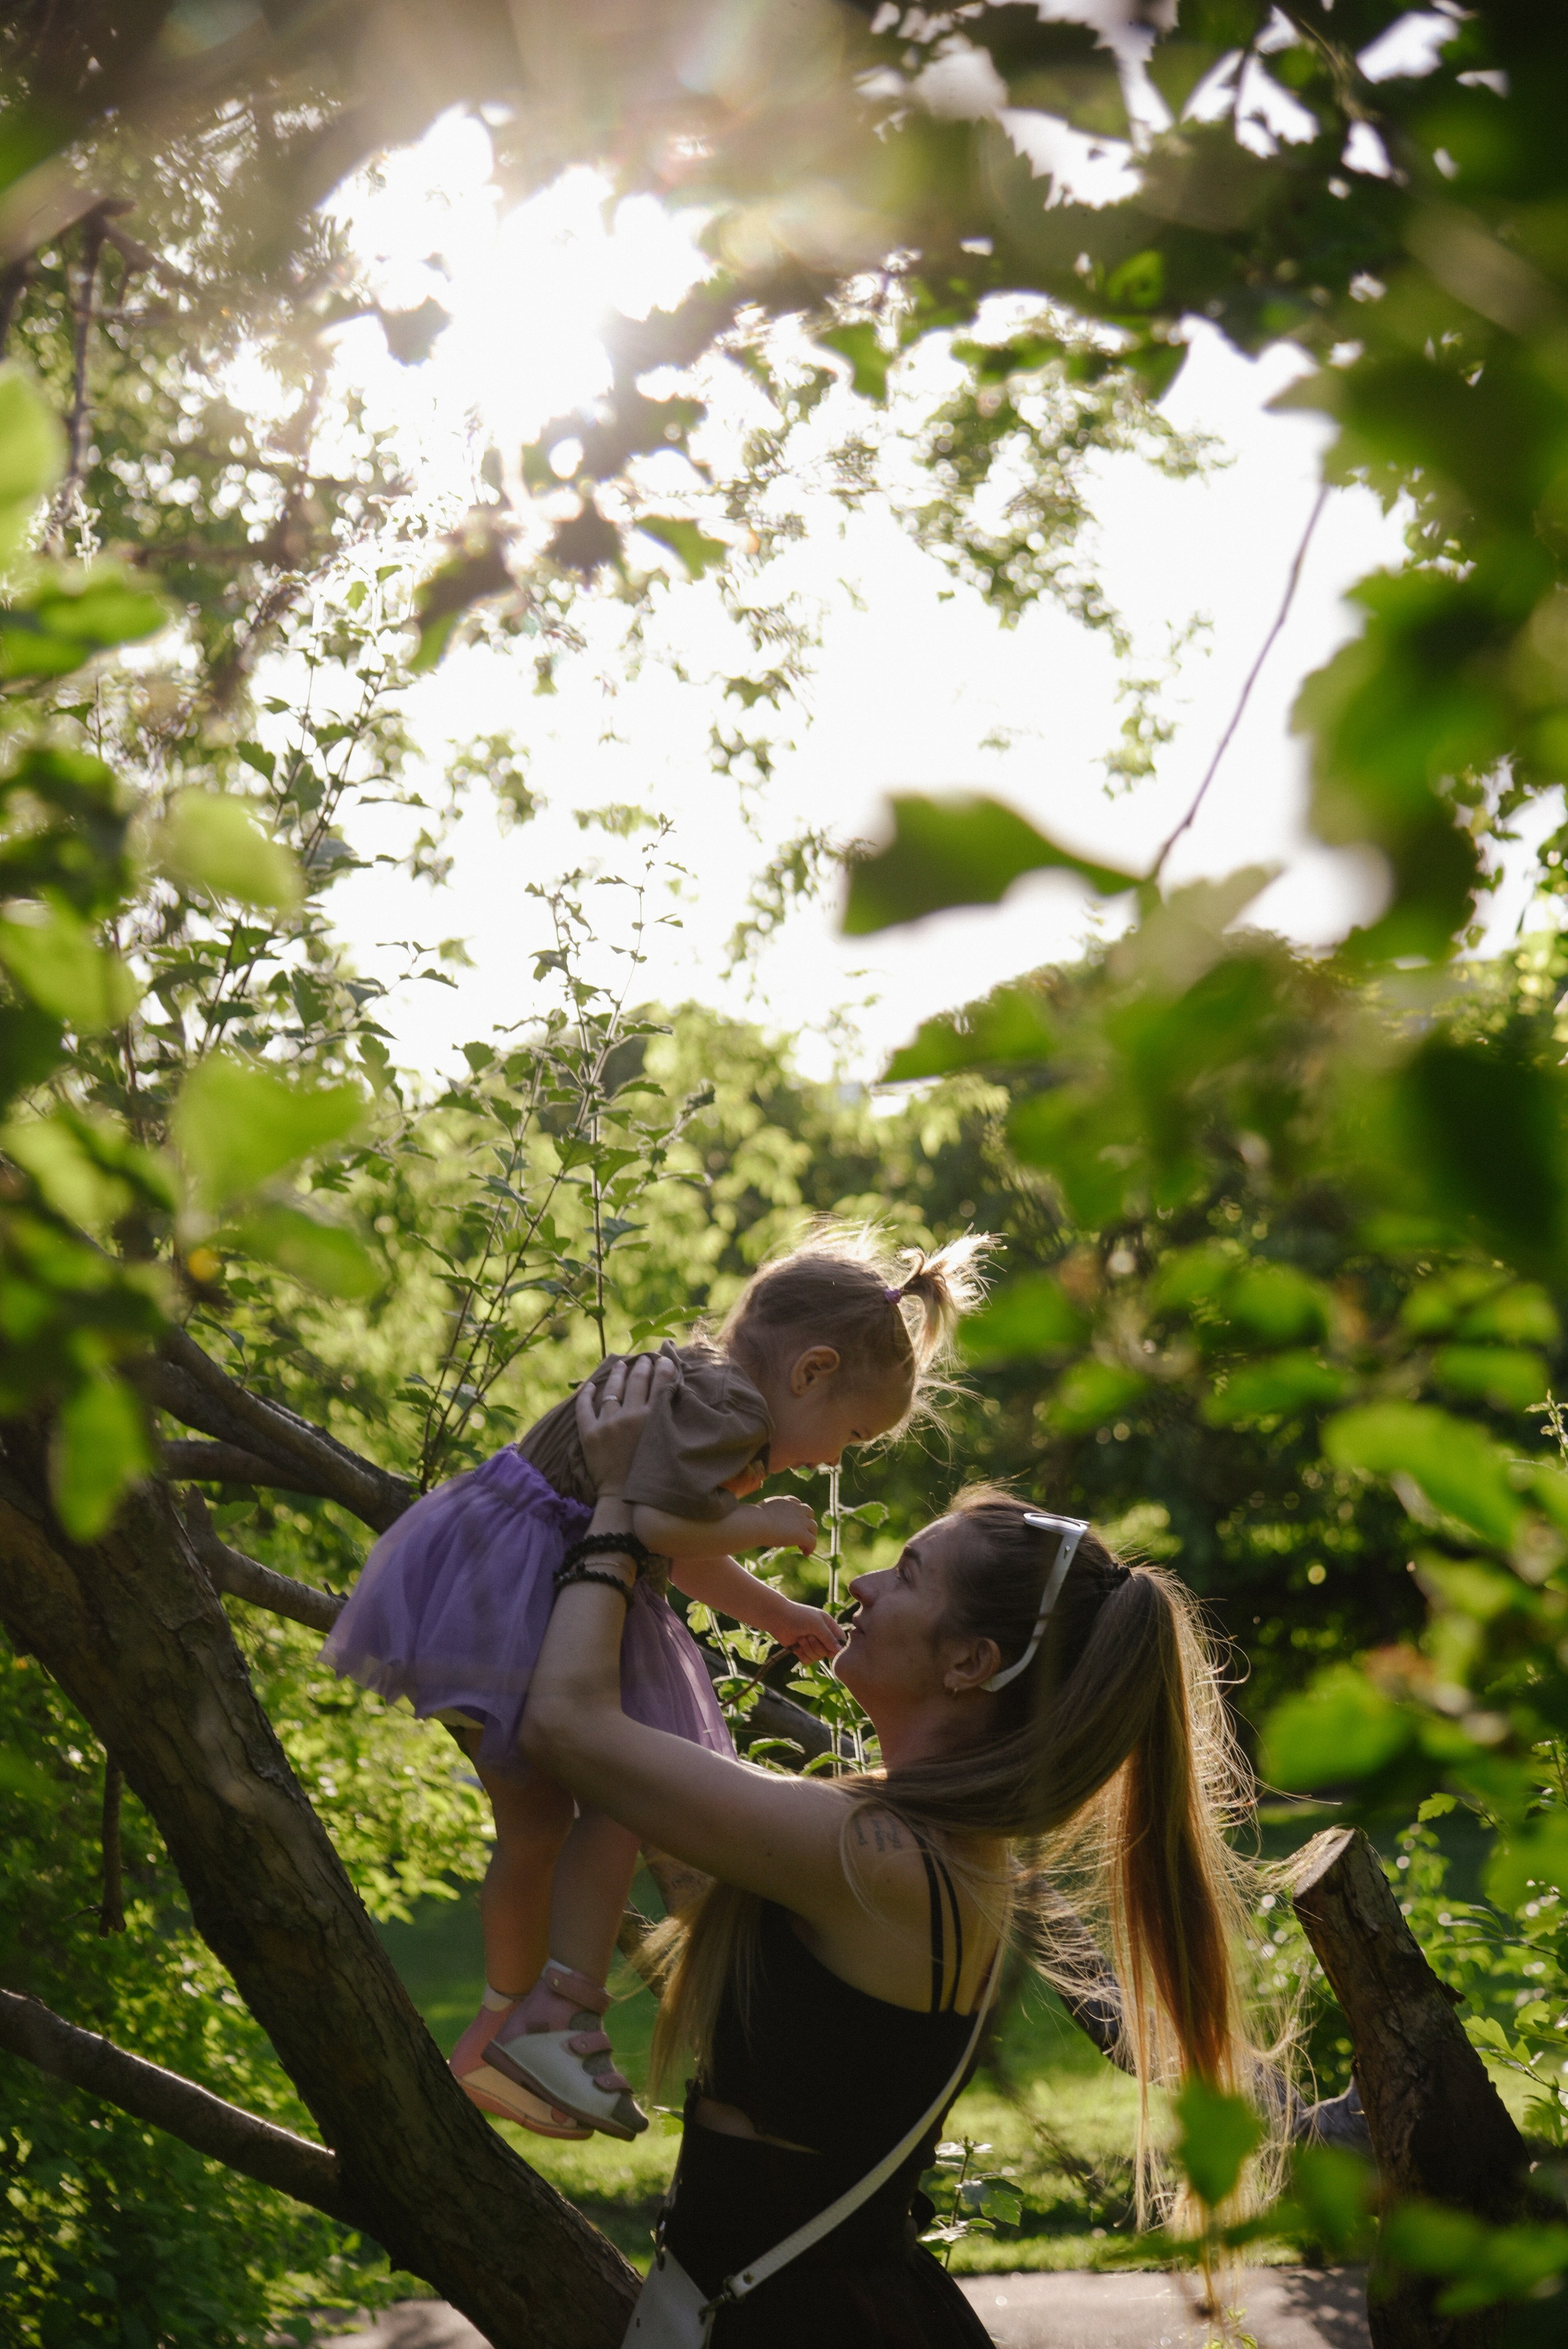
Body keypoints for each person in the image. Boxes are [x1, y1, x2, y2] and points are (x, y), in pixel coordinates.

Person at [519, 1354, 1265, 2348]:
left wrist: (617, 1502)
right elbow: (672, 1834)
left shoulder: (873, 1854)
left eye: (908, 1573)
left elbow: (567, 1727)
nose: (864, 1582)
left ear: (970, 1662)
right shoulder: (928, 1848)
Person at [322, 1225, 987, 2138]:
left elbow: (670, 1545)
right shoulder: (724, 1409)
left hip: (529, 1577)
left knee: (535, 1829)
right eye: (852, 1432)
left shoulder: (705, 1394)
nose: (837, 1460)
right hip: (539, 1585)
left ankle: (504, 2028)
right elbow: (655, 1527)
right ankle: (551, 2016)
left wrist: (777, 1614)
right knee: (609, 1813)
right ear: (811, 1371)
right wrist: (760, 1523)